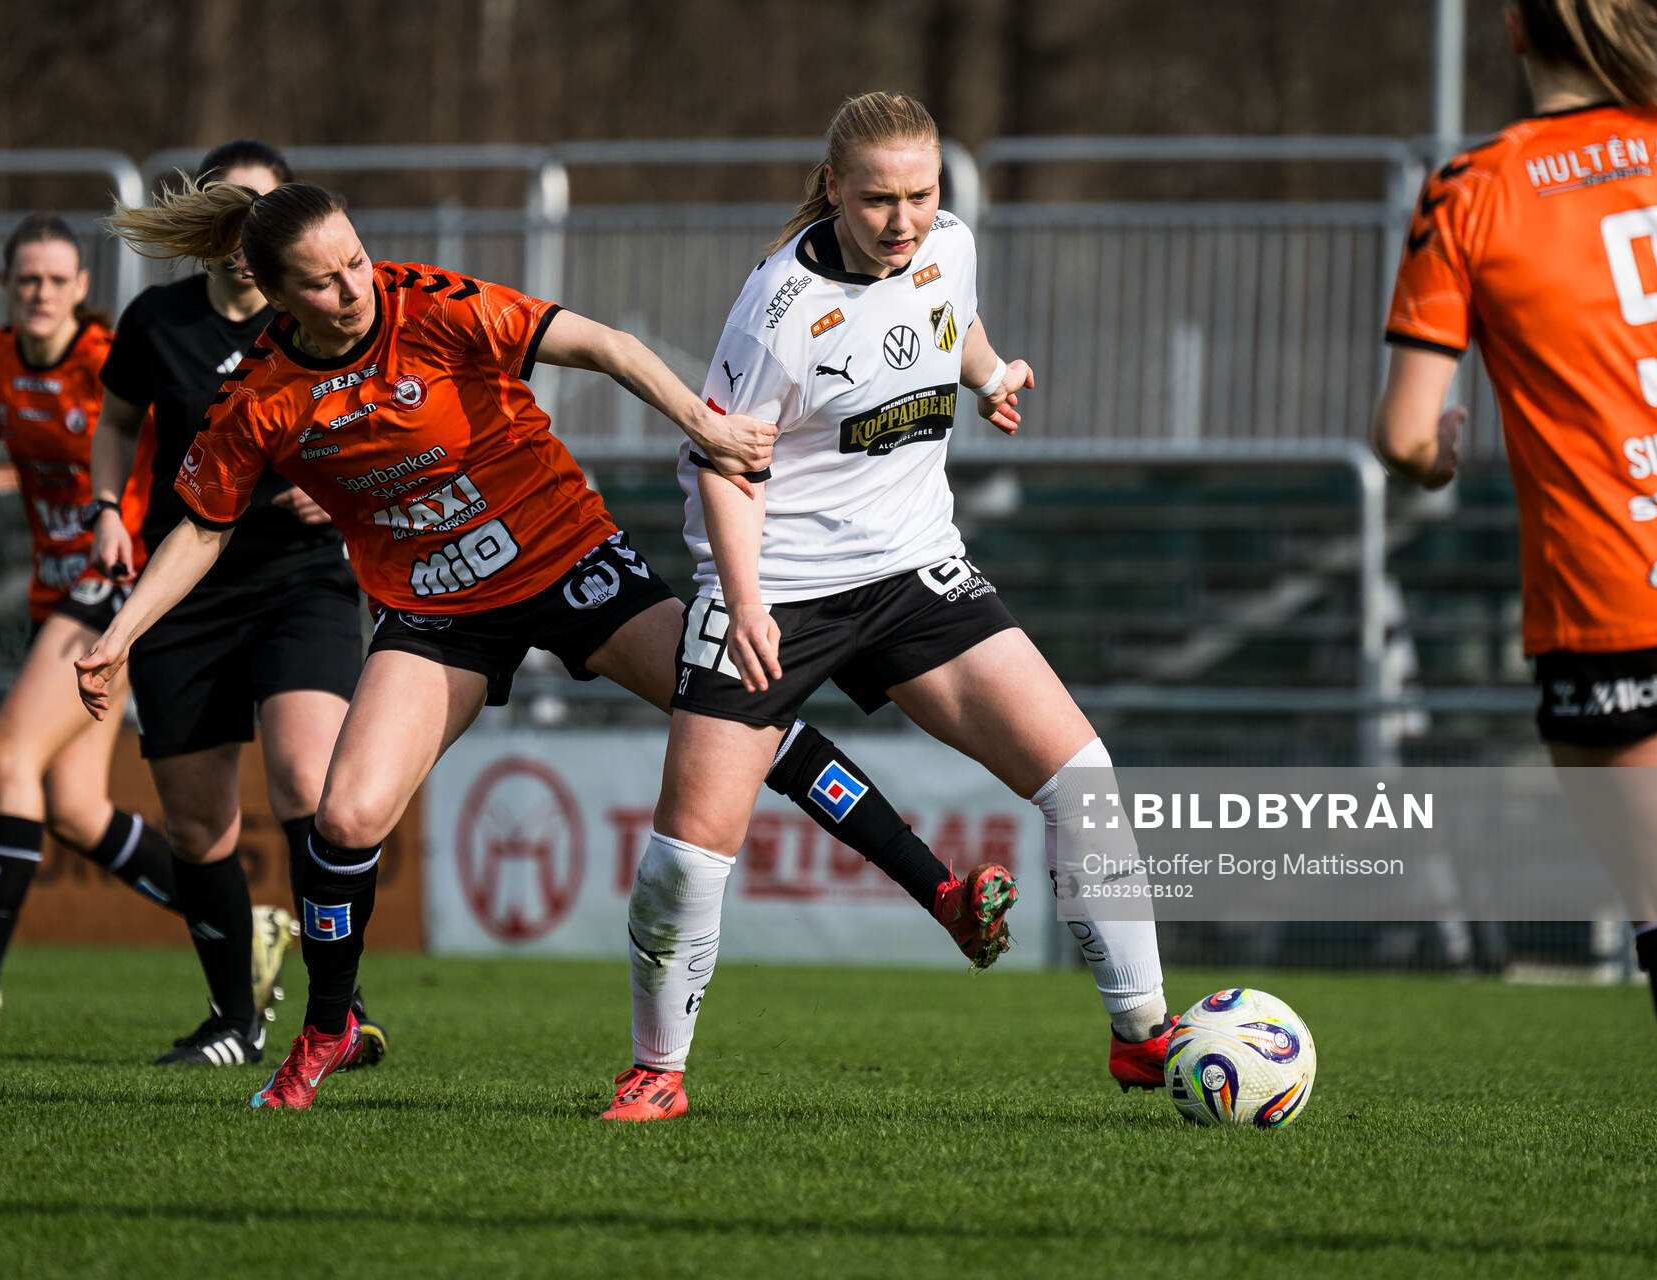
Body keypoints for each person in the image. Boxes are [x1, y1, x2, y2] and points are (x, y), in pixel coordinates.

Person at [80, 169, 1016, 1111]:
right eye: (322, 282)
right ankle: (330, 1024)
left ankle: (939, 894)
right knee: (344, 819)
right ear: (276, 296)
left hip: (571, 563)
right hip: (438, 610)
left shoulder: (431, 305)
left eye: (356, 261)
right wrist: (121, 633)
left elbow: (601, 344)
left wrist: (705, 424)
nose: (354, 288)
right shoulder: (264, 398)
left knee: (750, 707)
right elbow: (200, 527)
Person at [605, 90, 1173, 1123]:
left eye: (920, 195)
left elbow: (946, 319)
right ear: (833, 190)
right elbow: (727, 468)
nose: (903, 220)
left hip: (916, 571)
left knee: (1083, 776)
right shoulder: (777, 310)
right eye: (878, 201)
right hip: (777, 587)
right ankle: (657, 1069)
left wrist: (991, 371)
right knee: (685, 857)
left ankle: (1142, 1035)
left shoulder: (948, 243)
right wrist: (740, 601)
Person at [1373, 0, 1657, 1262]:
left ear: (1515, 28)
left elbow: (1409, 432)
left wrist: (1441, 453)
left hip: (1615, 591)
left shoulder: (1475, 187)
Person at [89, 140, 360, 1069]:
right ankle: (233, 1023)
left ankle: (339, 1004)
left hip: (302, 579)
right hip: (188, 585)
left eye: (266, 211)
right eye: (233, 209)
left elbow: (382, 424)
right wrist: (104, 510)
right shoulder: (155, 321)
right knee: (199, 822)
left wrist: (342, 490)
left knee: (306, 783)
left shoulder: (320, 323)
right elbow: (117, 421)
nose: (249, 230)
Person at [0, 216, 191, 1029]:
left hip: (111, 584)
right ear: (5, 286)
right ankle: (238, 925)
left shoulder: (109, 361)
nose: (41, 293)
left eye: (57, 280)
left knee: (8, 749)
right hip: (51, 593)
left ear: (81, 291)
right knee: (72, 808)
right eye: (27, 279)